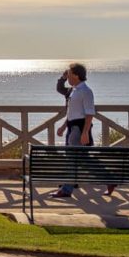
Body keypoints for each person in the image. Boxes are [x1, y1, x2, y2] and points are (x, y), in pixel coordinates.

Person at [52, 63, 99, 198]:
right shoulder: (73, 90)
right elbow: (72, 112)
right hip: (72, 127)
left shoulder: (85, 91)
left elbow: (89, 113)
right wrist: (63, 126)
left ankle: (67, 189)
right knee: (82, 159)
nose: (68, 77)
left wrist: (84, 133)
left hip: (79, 129)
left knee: (72, 159)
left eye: (70, 74)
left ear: (77, 75)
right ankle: (109, 180)